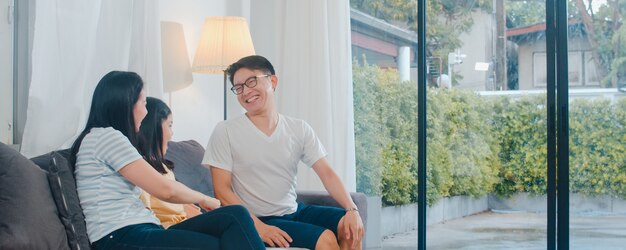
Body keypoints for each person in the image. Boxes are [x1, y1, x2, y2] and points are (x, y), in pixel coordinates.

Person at [70, 71, 264, 250]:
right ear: (126, 103)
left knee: (235, 216)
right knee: (223, 235)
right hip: (119, 236)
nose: (146, 112)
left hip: (142, 230)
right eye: (143, 103)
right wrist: (204, 198)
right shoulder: (106, 137)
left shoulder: (102, 138)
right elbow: (166, 190)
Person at [204, 55, 364, 250]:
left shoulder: (299, 128)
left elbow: (327, 173)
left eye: (251, 82)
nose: (246, 92)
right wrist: (259, 226)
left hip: (294, 210)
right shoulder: (225, 131)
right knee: (326, 240)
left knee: (350, 229)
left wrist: (352, 209)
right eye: (239, 88)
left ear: (272, 81)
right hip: (258, 218)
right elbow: (222, 190)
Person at [137, 97, 202, 228]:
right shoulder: (140, 169)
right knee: (235, 216)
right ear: (154, 127)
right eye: (169, 125)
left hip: (185, 223)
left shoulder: (164, 166)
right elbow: (145, 212)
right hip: (170, 230)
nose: (171, 134)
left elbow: (182, 204)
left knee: (235, 218)